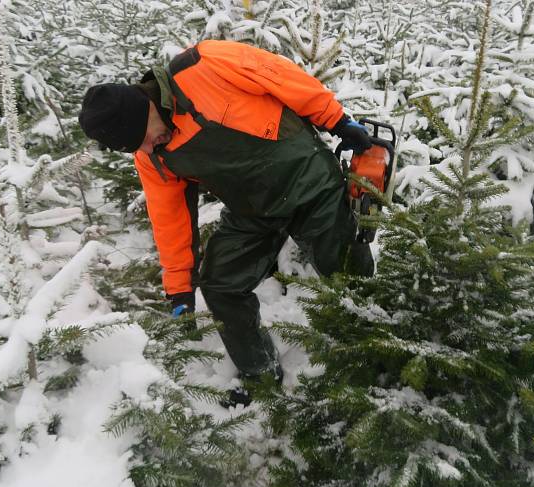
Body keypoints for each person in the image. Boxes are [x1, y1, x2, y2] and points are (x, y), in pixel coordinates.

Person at [78, 40, 375, 406]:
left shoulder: (203, 66)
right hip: (252, 211)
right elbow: (170, 219)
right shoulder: (153, 156)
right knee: (220, 284)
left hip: (308, 181)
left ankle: (375, 353)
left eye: (143, 139)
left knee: (345, 271)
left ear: (145, 109)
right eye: (137, 149)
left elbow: (281, 76)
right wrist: (179, 288)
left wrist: (337, 121)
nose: (147, 150)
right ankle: (262, 374)